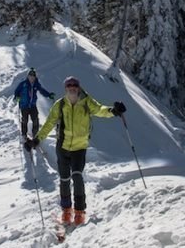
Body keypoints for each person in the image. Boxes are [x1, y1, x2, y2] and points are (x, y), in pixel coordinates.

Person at [24, 76, 126, 225]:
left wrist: (113, 111)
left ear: (78, 87)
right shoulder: (60, 105)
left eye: (75, 85)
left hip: (79, 148)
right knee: (64, 179)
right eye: (69, 85)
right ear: (65, 88)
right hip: (63, 147)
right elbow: (49, 123)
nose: (72, 87)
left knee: (77, 177)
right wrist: (37, 140)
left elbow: (100, 110)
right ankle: (66, 211)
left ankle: (79, 212)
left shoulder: (86, 101)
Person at [14, 68, 55, 140]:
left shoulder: (36, 84)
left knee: (35, 119)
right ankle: (24, 134)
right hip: (24, 105)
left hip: (32, 105)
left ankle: (35, 135)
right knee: (24, 120)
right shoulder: (23, 84)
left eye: (33, 75)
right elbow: (17, 92)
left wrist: (49, 95)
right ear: (28, 76)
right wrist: (17, 97)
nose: (32, 77)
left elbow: (42, 91)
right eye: (30, 75)